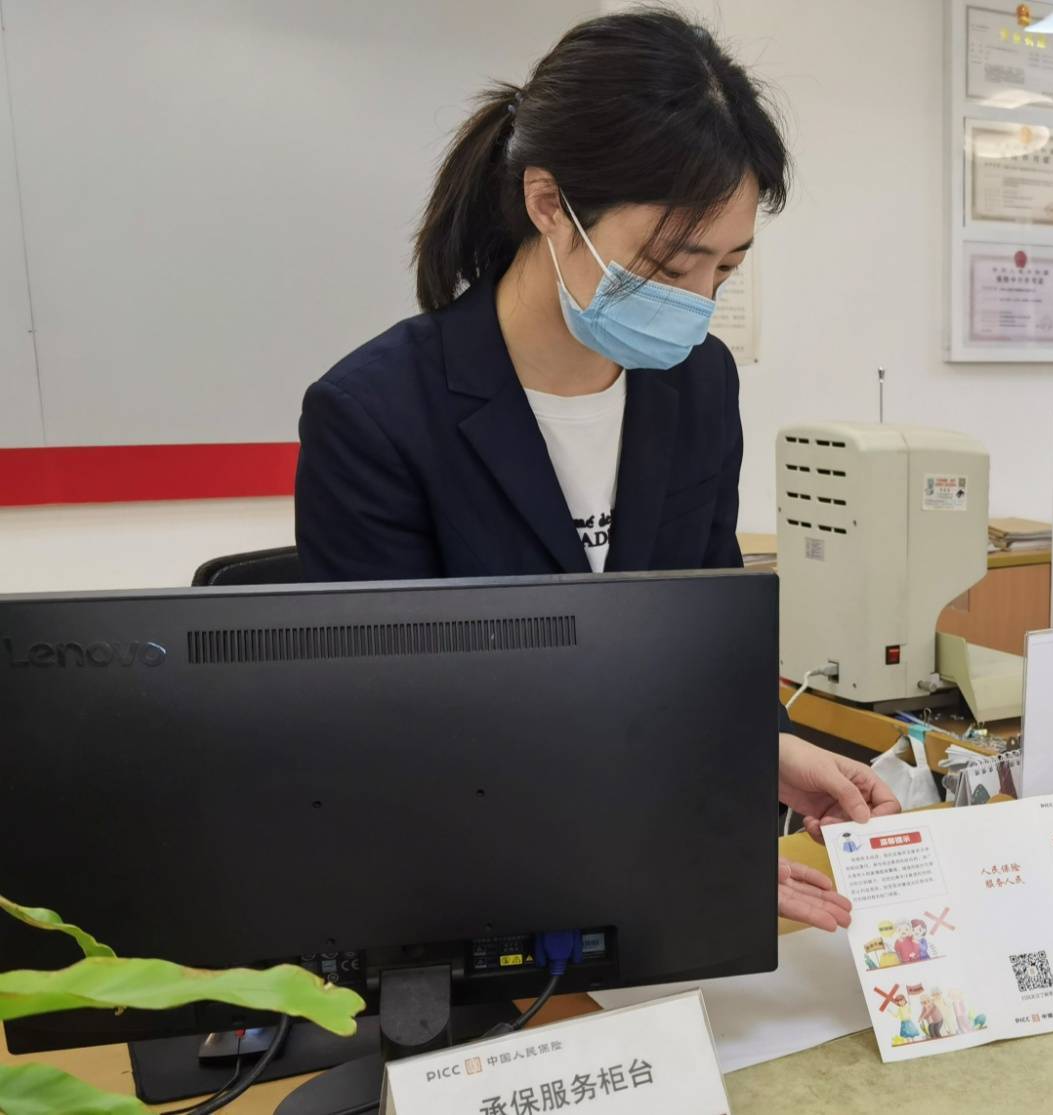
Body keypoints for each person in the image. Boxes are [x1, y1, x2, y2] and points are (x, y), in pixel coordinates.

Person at [291, 8, 896, 931]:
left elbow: (699, 634)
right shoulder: (375, 413)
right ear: (548, 204)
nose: (698, 302)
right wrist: (655, 856)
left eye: (726, 270)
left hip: (651, 881)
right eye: (671, 264)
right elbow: (390, 735)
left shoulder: (697, 382)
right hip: (466, 893)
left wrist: (758, 748)